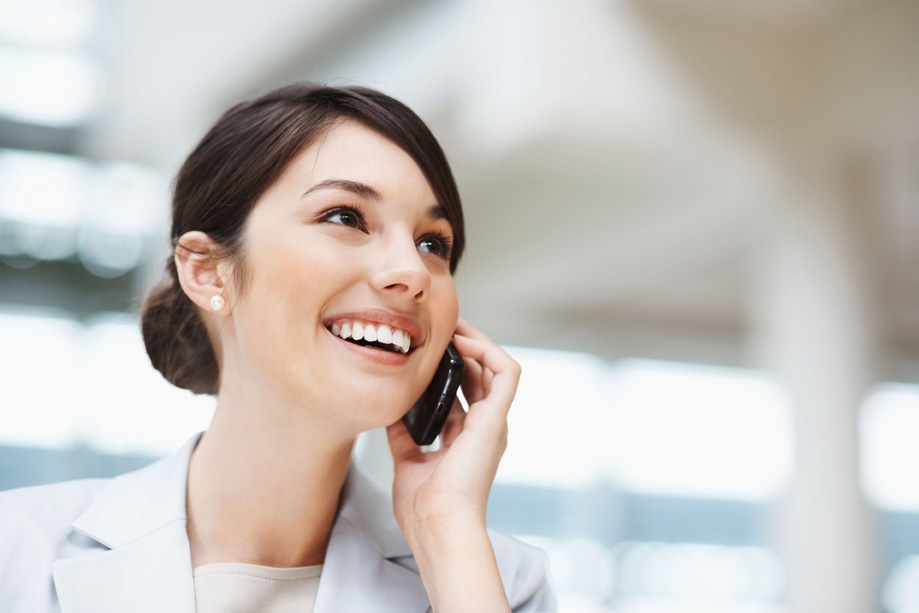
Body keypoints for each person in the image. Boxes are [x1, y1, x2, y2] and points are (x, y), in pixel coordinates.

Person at [0, 83, 555, 612]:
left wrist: (445, 529)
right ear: (209, 272)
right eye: (345, 217)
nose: (411, 271)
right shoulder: (16, 555)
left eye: (433, 243)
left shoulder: (494, 581)